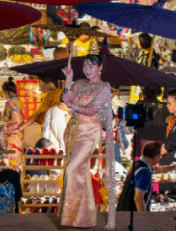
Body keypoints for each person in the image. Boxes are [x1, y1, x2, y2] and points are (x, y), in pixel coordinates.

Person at [60, 52, 116, 228]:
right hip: (73, 130)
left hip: (90, 131)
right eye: (85, 66)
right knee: (80, 172)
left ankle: (71, 216)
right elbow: (65, 98)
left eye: (92, 66)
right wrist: (68, 82)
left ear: (100, 68)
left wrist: (74, 106)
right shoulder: (79, 83)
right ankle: (83, 218)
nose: (87, 70)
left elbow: (92, 110)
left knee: (72, 169)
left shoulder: (104, 87)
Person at [120, 141, 160, 212]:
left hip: (124, 212)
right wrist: (143, 218)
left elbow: (155, 169)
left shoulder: (137, 165)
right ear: (156, 157)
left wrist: (170, 167)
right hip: (133, 216)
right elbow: (138, 199)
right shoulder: (144, 172)